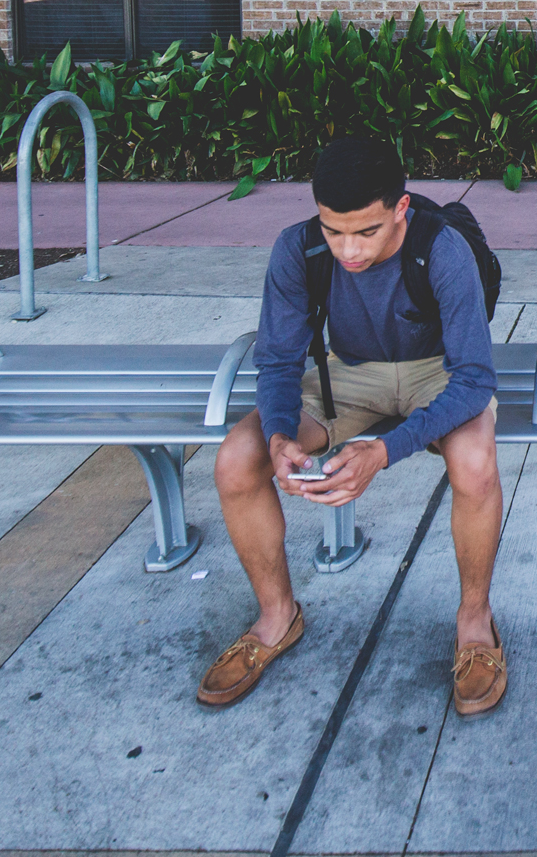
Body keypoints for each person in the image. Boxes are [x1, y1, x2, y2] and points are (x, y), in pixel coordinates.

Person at [200, 136, 507, 714]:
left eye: (366, 232)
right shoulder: (297, 249)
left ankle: (474, 621)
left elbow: (474, 380)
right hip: (347, 374)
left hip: (436, 373)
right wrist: (280, 435)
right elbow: (280, 359)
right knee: (237, 459)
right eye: (332, 229)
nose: (347, 249)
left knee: (474, 464)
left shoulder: (442, 250)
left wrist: (383, 451)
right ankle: (277, 616)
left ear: (400, 208)